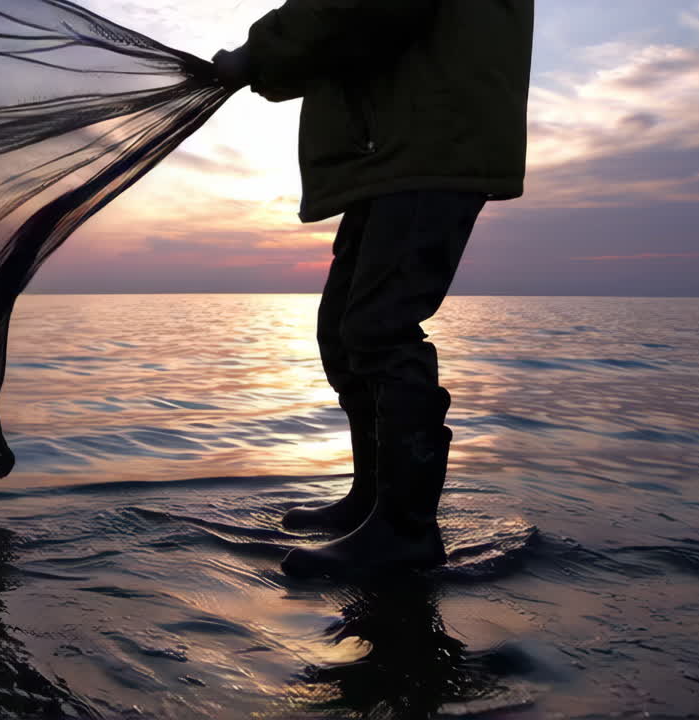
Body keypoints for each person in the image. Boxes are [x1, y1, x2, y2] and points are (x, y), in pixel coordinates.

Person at [213, 1, 534, 578]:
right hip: (393, 145)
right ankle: (372, 501)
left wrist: (258, 53)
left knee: (380, 326)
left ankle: (406, 530)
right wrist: (273, 63)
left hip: (432, 138)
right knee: (343, 329)